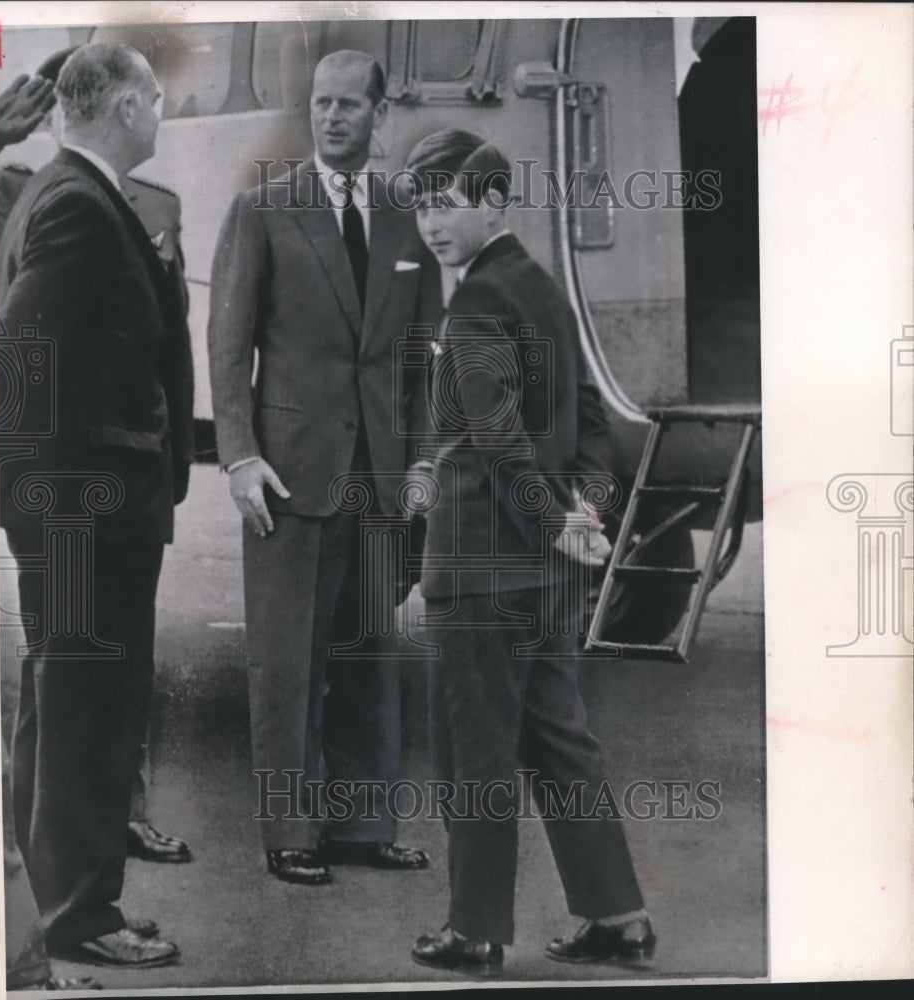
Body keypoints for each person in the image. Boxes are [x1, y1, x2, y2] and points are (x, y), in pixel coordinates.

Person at [404, 129, 656, 978]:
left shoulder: (475, 300)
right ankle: (617, 917)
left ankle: (474, 934)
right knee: (557, 740)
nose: (432, 225)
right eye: (421, 208)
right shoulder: (540, 287)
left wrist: (553, 517)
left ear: (494, 204)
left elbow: (495, 435)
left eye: (447, 206)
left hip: (483, 566)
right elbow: (590, 417)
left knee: (472, 749)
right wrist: (584, 511)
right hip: (548, 572)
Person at [208, 49, 437, 885]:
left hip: (380, 478)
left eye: (348, 105)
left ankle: (365, 827)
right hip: (292, 477)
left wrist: (421, 466)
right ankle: (291, 834)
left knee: (373, 658)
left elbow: (421, 358)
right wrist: (239, 455)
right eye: (321, 104)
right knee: (287, 663)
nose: (332, 117)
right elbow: (228, 347)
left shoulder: (406, 221)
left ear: (380, 115)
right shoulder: (263, 210)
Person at [0, 43, 193, 967]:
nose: (163, 112)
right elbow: (28, 350)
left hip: (79, 504)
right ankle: (82, 917)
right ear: (121, 107)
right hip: (84, 511)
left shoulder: (56, 191)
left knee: (64, 702)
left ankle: (66, 903)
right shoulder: (78, 201)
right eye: (154, 99)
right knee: (87, 708)